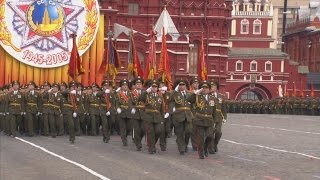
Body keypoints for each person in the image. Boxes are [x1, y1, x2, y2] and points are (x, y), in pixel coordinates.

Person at [187, 81, 215, 159]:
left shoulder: (213, 98)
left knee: (210, 136)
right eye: (203, 88)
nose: (205, 89)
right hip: (199, 120)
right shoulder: (197, 97)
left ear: (209, 89)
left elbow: (215, 111)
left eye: (206, 88)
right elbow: (188, 99)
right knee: (200, 137)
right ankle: (201, 153)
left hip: (209, 120)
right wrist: (195, 93)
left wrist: (215, 121)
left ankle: (205, 148)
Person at [140, 80, 166, 154]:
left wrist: (162, 119)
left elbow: (162, 109)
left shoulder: (160, 97)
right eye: (153, 87)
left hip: (157, 117)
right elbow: (140, 98)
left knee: (158, 131)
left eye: (155, 87)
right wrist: (146, 92)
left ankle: (152, 144)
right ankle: (151, 148)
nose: (154, 88)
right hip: (148, 116)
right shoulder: (146, 95)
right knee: (150, 132)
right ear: (150, 88)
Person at [169, 80, 193, 155]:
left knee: (188, 131)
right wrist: (175, 90)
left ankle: (185, 144)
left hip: (188, 116)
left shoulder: (189, 94)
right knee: (179, 133)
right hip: (178, 116)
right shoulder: (175, 93)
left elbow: (193, 103)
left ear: (186, 86)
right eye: (180, 85)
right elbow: (170, 99)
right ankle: (181, 148)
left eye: (183, 85)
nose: (182, 86)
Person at [115, 79, 133, 146]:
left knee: (129, 128)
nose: (125, 86)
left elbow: (133, 102)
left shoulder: (131, 94)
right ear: (121, 86)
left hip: (129, 112)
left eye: (126, 85)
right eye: (123, 85)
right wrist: (118, 108)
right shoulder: (118, 94)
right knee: (123, 127)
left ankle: (125, 136)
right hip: (121, 112)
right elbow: (116, 103)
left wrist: (133, 109)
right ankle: (124, 140)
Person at [130, 77, 146, 151]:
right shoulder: (131, 93)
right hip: (135, 113)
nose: (139, 85)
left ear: (142, 85)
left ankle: (139, 139)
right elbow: (129, 102)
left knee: (143, 129)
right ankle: (138, 144)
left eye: (140, 84)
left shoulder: (145, 92)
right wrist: (132, 108)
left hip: (143, 113)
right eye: (137, 84)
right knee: (136, 129)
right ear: (135, 85)